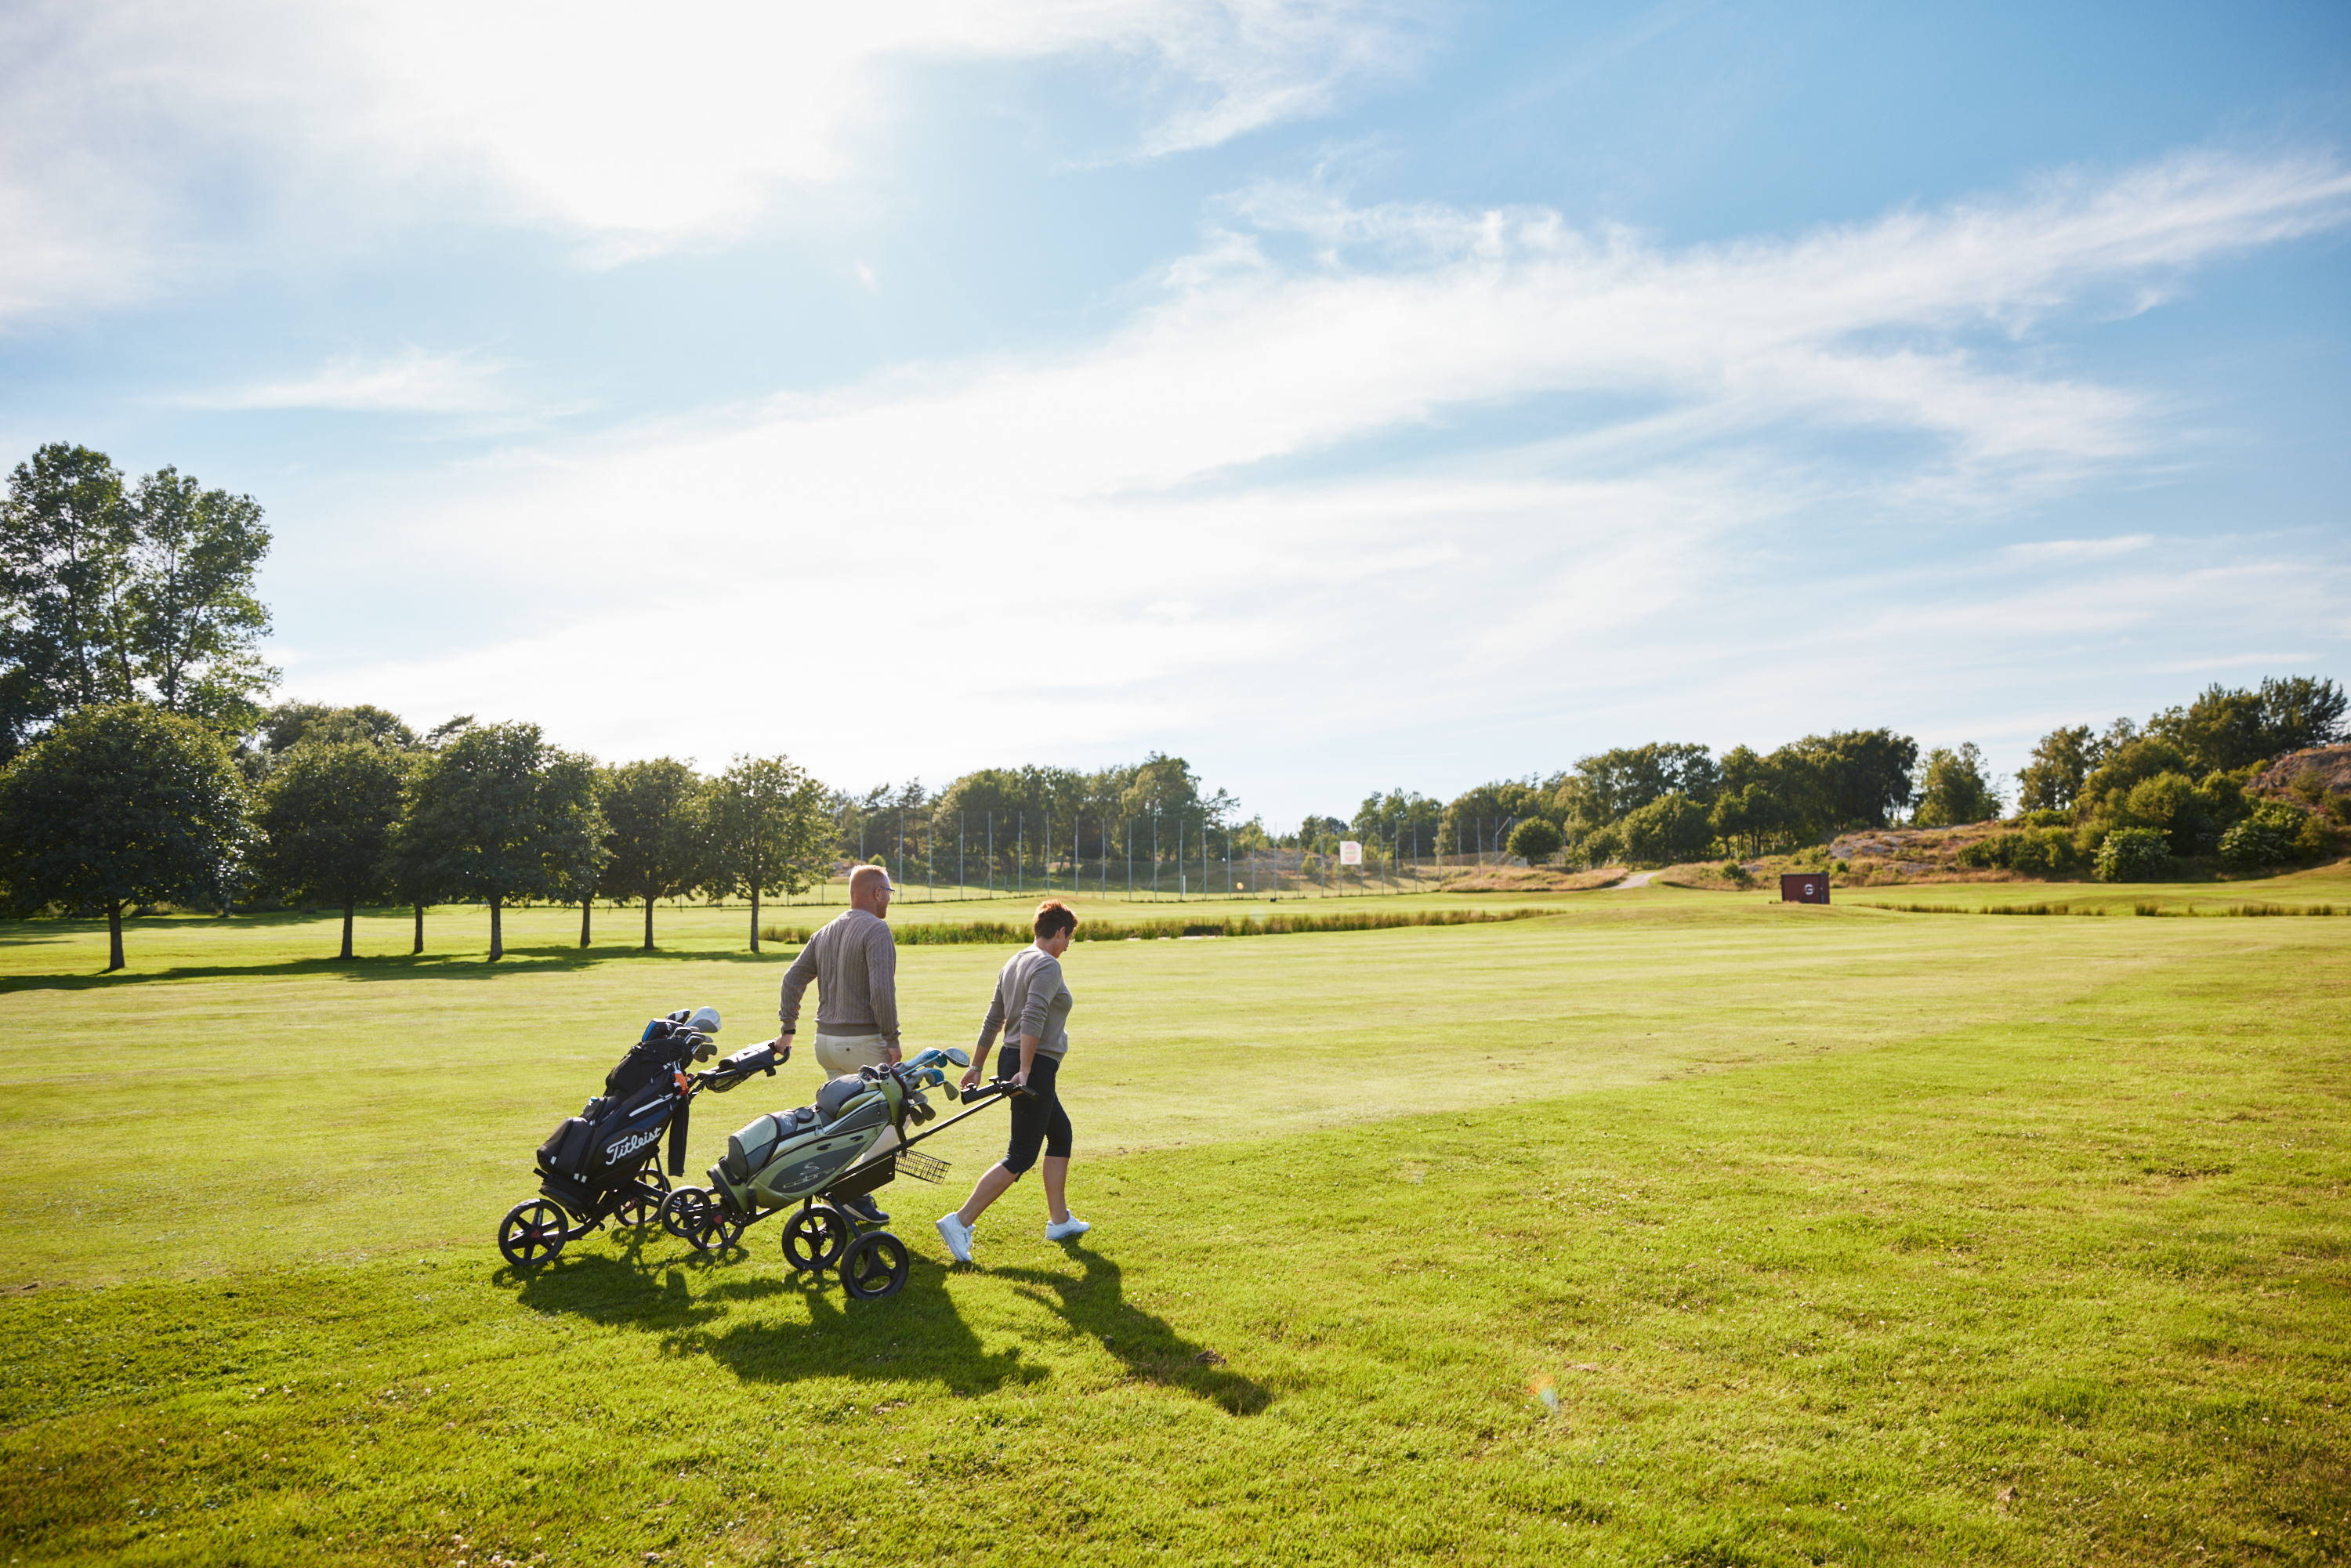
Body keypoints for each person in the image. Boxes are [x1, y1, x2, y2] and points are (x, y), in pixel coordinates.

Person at [936, 900, 1086, 1262]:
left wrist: (976, 1066)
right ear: (1061, 932)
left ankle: (1059, 1220)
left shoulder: (1014, 961)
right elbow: (1033, 1017)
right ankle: (960, 1221)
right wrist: (1025, 1068)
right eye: (1070, 938)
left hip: (1015, 1060)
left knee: (1061, 1133)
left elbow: (994, 1018)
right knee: (1021, 1154)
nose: (1068, 946)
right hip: (1030, 1065)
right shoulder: (1048, 965)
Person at [775, 864, 903, 1222]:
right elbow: (882, 991)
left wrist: (788, 1028)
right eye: (888, 892)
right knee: (900, 1114)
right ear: (877, 893)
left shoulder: (825, 931)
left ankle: (841, 1191)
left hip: (825, 1044)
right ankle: (853, 1191)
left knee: (845, 1127)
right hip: (862, 1043)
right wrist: (892, 1039)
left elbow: (791, 979)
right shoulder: (877, 931)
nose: (889, 900)